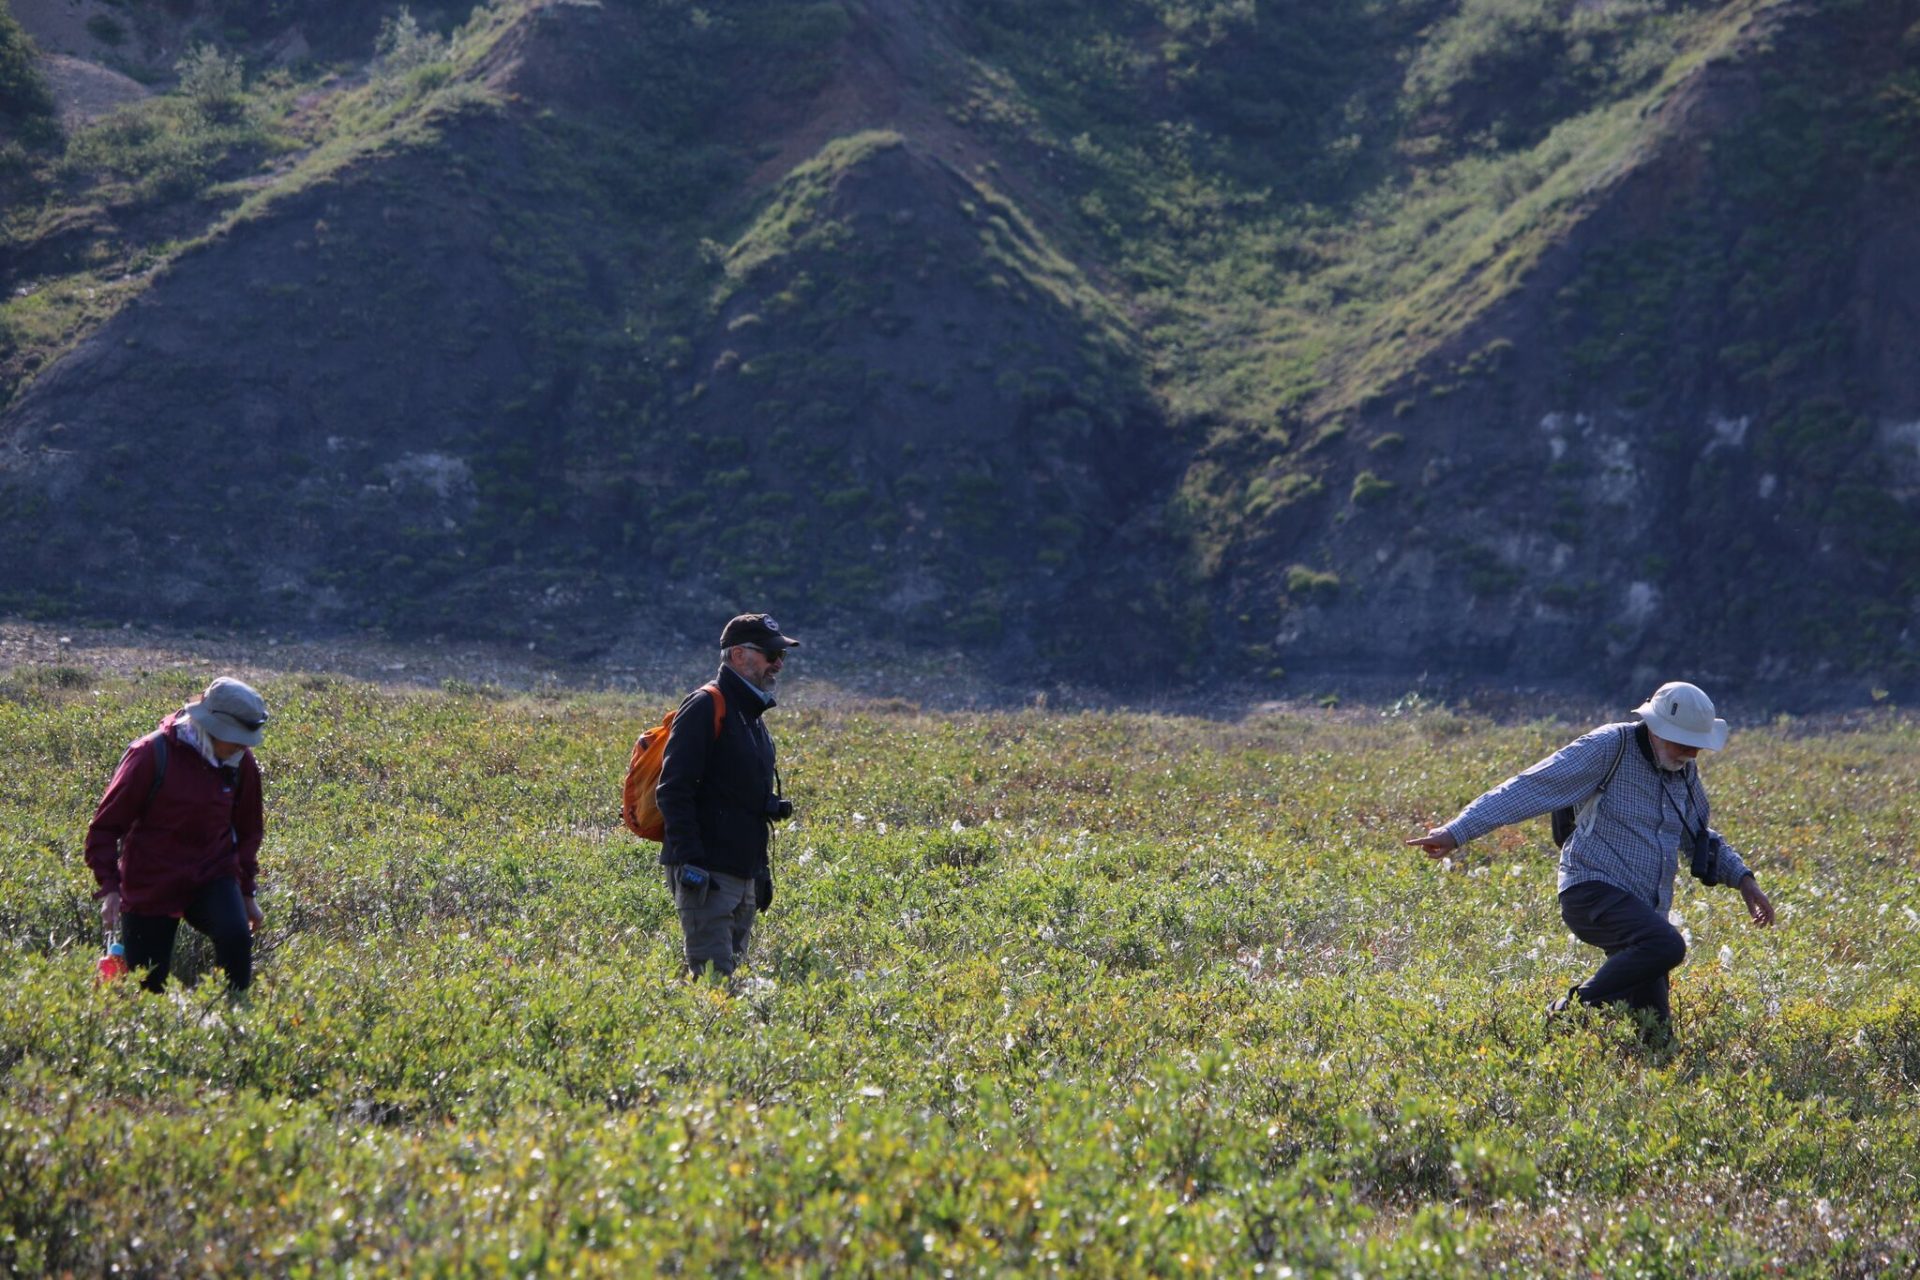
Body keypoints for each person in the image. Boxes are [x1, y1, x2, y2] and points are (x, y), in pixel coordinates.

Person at [1405, 681, 1775, 1035]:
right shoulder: (1608, 747)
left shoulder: (1683, 772)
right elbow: (1531, 786)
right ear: (1657, 728)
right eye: (1685, 743)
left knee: (1655, 1037)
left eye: (1697, 746)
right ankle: (1566, 1013)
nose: (1693, 753)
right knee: (1666, 946)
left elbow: (1699, 838)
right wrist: (1456, 831)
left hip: (1643, 910)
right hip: (1591, 890)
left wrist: (1744, 880)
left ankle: (1582, 1044)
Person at [85, 676, 269, 995]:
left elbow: (248, 831)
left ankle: (235, 1028)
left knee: (236, 937)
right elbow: (105, 827)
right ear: (209, 726)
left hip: (212, 874)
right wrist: (110, 887)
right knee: (147, 988)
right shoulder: (150, 754)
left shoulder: (242, 763)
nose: (243, 746)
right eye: (237, 739)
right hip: (150, 882)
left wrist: (247, 894)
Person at [656, 613, 799, 978]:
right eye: (771, 654)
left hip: (741, 875)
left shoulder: (751, 716)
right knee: (714, 986)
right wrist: (691, 862)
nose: (778, 663)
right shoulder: (706, 705)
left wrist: (760, 872)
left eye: (781, 655)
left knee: (726, 983)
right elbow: (673, 790)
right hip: (707, 875)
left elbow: (745, 802)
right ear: (738, 655)